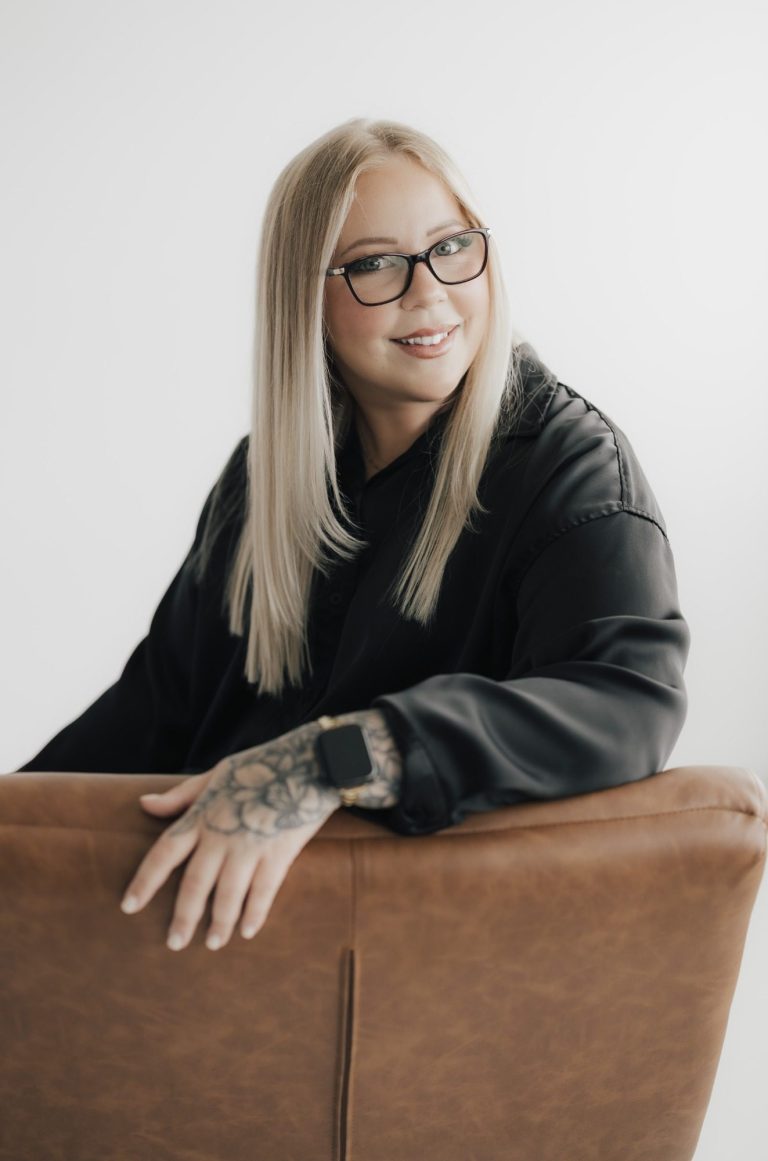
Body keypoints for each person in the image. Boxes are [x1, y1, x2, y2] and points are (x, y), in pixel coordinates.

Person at [17, 117, 691, 955]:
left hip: (409, 966)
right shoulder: (264, 475)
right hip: (201, 943)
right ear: (303, 298)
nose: (428, 291)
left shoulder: (573, 472)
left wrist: (333, 757)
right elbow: (152, 711)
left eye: (452, 246)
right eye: (374, 264)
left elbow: (627, 703)